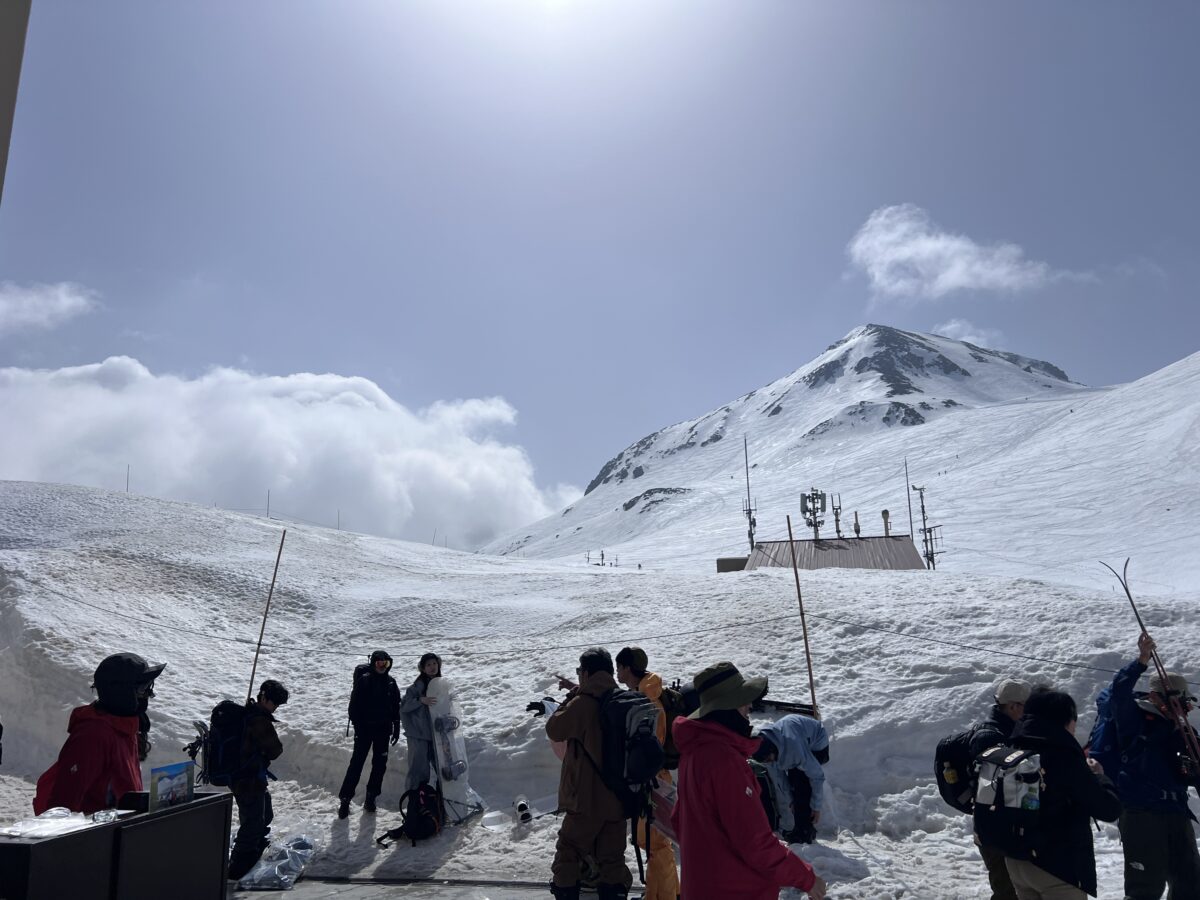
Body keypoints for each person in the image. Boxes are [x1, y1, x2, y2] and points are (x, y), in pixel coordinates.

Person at [671, 661, 826, 900]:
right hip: (735, 890)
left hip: (704, 885)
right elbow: (756, 844)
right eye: (743, 704)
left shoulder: (693, 753)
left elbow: (678, 821)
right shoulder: (723, 760)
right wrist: (806, 878)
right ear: (725, 709)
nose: (749, 707)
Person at [1003, 687, 1120, 899]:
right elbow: (1108, 809)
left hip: (1017, 860)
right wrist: (1099, 776)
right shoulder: (1062, 754)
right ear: (1064, 719)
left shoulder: (1013, 746)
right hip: (1057, 866)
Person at [1108, 633, 1200, 899]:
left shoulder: (1184, 731)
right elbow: (1118, 693)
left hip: (1176, 810)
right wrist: (1141, 662)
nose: (1184, 708)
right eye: (1179, 700)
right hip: (1141, 812)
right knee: (1145, 888)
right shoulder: (1135, 720)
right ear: (1156, 697)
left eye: (1186, 702)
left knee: (1191, 883)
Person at [546, 647, 632, 900]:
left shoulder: (583, 703)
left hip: (587, 798)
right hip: (619, 796)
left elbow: (555, 729)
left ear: (585, 673)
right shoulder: (621, 699)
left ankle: (566, 894)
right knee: (612, 857)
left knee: (569, 850)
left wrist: (571, 697)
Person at [33, 652, 165, 814]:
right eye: (143, 688)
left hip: (120, 831)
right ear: (120, 692)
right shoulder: (93, 735)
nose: (149, 695)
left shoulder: (124, 727)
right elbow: (62, 804)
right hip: (97, 834)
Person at [615, 646, 679, 900]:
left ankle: (665, 897)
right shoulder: (645, 693)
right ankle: (665, 892)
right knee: (654, 842)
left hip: (653, 780)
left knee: (655, 843)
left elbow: (653, 744)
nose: (616, 672)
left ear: (627, 668)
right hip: (654, 778)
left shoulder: (648, 700)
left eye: (618, 667)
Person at [968, 678, 1032, 900]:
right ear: (1014, 706)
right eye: (1028, 706)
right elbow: (992, 787)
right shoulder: (991, 737)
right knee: (1006, 890)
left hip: (1006, 825)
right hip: (993, 827)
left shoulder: (1012, 732)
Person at [227, 679, 288, 882]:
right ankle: (237, 869)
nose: (275, 708)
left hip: (245, 778)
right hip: (249, 780)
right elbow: (275, 750)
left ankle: (253, 851)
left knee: (264, 814)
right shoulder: (258, 720)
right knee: (253, 822)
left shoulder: (248, 713)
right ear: (263, 697)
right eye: (274, 703)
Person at [338, 650, 401, 818]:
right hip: (364, 730)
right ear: (373, 663)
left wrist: (396, 726)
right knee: (356, 764)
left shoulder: (391, 683)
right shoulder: (364, 681)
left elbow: (396, 707)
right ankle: (345, 800)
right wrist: (359, 726)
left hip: (383, 731)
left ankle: (371, 798)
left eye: (385, 663)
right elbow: (354, 706)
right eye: (379, 663)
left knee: (379, 766)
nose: (382, 666)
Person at [751, 712, 830, 844]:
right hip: (794, 738)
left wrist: (816, 807)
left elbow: (817, 776)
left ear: (772, 751)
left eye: (769, 759)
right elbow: (780, 777)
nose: (769, 762)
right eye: (767, 761)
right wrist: (791, 801)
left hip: (817, 743)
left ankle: (805, 833)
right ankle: (800, 826)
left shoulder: (795, 749)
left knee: (802, 783)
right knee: (794, 783)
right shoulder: (766, 747)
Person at [400, 652, 441, 791]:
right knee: (418, 772)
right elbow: (404, 706)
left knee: (444, 771)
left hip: (438, 735)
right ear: (423, 668)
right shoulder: (416, 687)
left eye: (434, 663)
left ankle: (441, 804)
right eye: (428, 665)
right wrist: (420, 700)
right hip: (419, 736)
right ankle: (416, 804)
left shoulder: (442, 685)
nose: (432, 667)